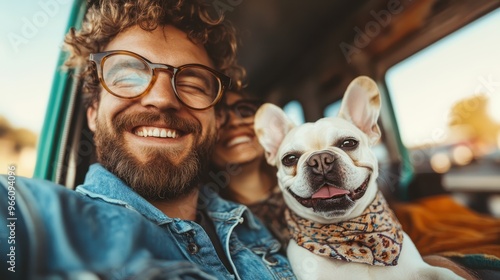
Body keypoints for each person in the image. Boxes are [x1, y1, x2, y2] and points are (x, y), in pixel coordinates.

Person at [0, 0, 295, 279]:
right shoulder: (48, 222)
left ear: (217, 119)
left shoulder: (255, 229)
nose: (162, 98)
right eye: (129, 76)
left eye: (191, 82)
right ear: (93, 113)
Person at [207, 90, 290, 248]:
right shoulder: (207, 224)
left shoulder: (311, 188)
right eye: (218, 116)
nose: (235, 122)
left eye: (245, 111)